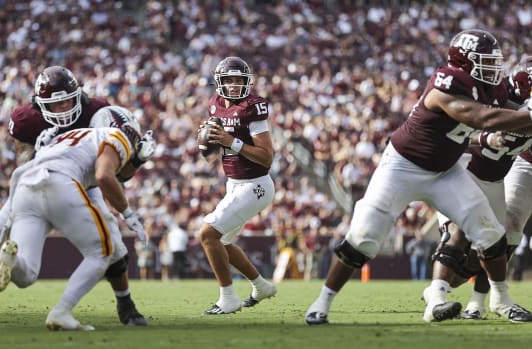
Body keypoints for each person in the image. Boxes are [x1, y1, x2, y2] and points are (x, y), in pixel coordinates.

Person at [304, 29, 532, 325]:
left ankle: (500, 299)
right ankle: (322, 302)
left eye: (494, 61)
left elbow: (502, 119)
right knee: (363, 239)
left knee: (489, 231)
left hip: (445, 171)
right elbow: (483, 119)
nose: (494, 68)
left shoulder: (492, 87)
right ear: (464, 63)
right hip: (404, 166)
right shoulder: (446, 83)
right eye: (485, 61)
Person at [0, 67, 148, 329]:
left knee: (112, 241)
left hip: (76, 180)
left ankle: (127, 306)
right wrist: (38, 151)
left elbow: (108, 169)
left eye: (66, 101)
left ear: (78, 96)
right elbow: (26, 160)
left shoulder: (97, 112)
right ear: (39, 105)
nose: (61, 109)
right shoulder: (28, 120)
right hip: (42, 175)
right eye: (53, 104)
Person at [0, 105, 151, 330]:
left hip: (25, 187)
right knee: (103, 252)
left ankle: (11, 260)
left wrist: (135, 162)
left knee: (26, 273)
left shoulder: (68, 137)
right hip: (59, 183)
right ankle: (61, 312)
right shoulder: (117, 136)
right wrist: (128, 213)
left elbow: (98, 172)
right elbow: (104, 175)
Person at [422, 56, 532, 321]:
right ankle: (436, 296)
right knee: (457, 235)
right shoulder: (491, 98)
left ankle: (484, 302)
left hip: (495, 178)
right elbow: (454, 130)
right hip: (462, 170)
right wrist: (485, 136)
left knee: (500, 239)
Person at [198, 56, 277, 315]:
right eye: (228, 80)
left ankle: (228, 297)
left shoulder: (252, 108)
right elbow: (211, 155)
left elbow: (266, 157)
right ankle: (261, 286)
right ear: (219, 83)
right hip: (234, 184)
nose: (233, 85)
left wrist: (230, 141)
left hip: (256, 185)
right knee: (225, 243)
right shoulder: (215, 106)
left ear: (247, 82)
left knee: (208, 235)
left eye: (238, 80)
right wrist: (206, 141)